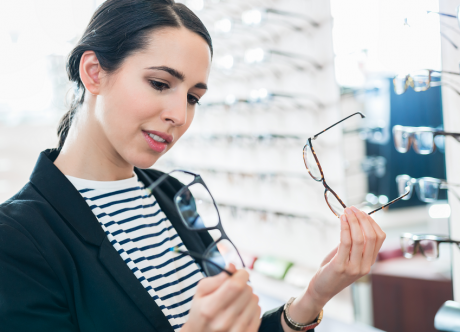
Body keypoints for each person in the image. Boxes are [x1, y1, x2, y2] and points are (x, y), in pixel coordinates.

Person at [0, 1, 386, 331]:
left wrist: (316, 293)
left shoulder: (170, 193)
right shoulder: (16, 238)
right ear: (94, 72)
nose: (178, 115)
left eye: (193, 98)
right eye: (159, 83)